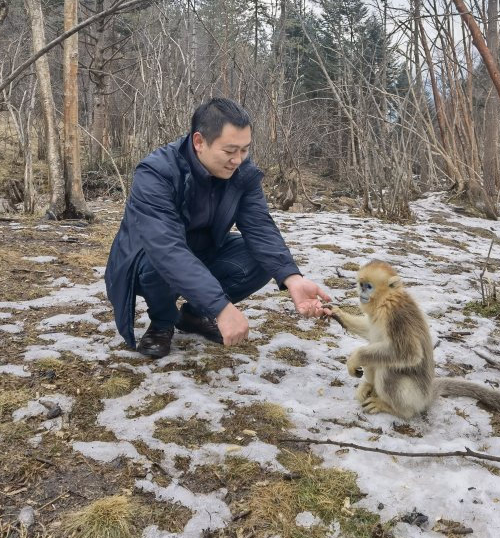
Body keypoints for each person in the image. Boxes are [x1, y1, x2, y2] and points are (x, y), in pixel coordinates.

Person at [105, 98, 331, 358]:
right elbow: (166, 248)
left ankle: (194, 315)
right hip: (147, 260)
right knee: (160, 264)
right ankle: (162, 322)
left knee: (261, 259)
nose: (238, 160)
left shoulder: (242, 172)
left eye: (245, 150)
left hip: (205, 247)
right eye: (230, 151)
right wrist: (222, 307)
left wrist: (292, 278)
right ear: (199, 142)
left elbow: (259, 227)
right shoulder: (156, 173)